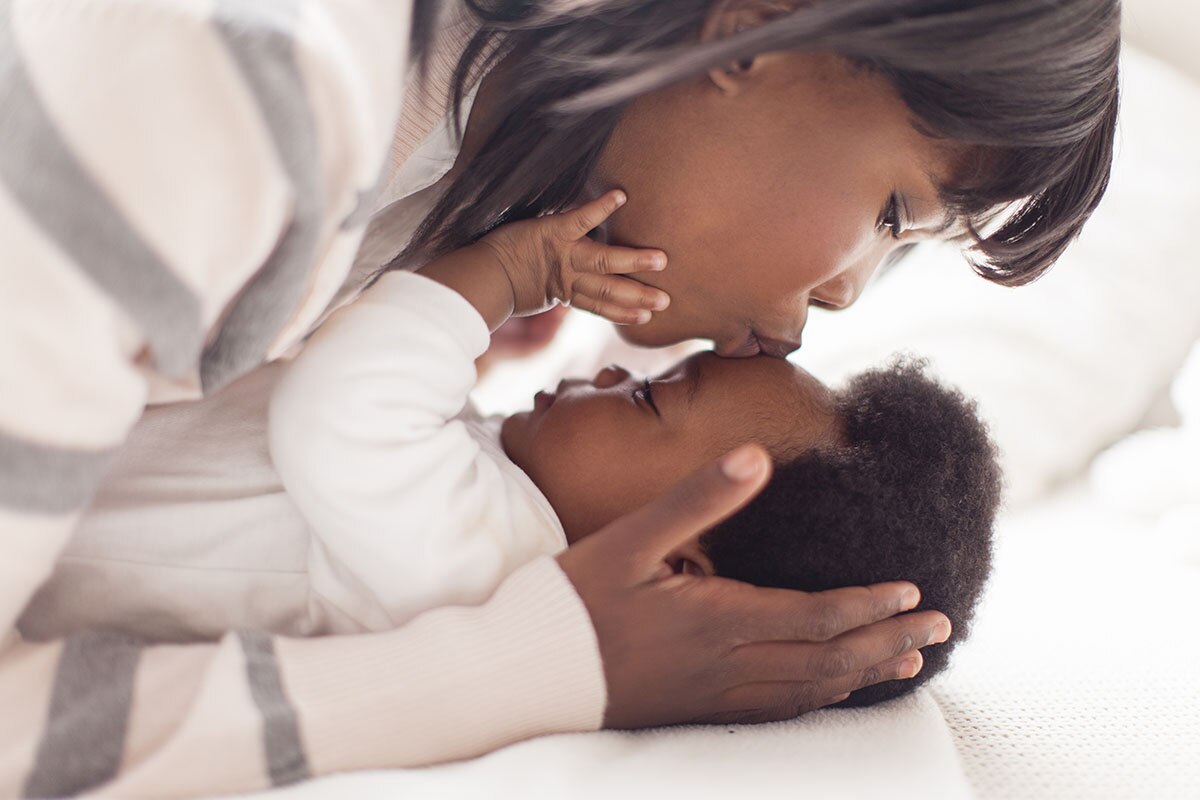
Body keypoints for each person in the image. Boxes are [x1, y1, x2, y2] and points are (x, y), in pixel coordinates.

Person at [0, 0, 1118, 795]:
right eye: (893, 213)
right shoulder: (224, 91)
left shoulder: (442, 203)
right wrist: (537, 668)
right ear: (753, 35)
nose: (839, 297)